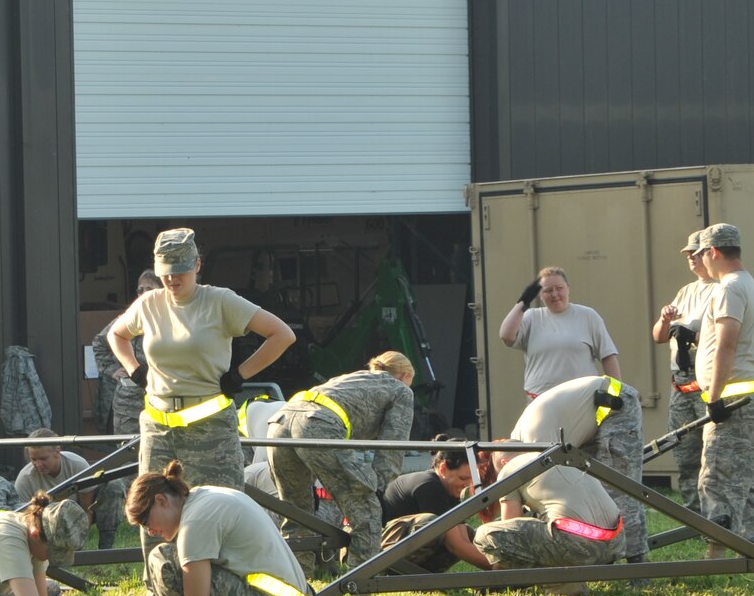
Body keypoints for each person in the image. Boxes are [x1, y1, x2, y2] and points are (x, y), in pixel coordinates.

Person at [107, 228, 295, 490]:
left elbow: (282, 335)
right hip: (158, 431)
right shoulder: (148, 303)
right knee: (155, 518)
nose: (172, 278)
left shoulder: (220, 301)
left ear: (197, 264)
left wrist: (240, 375)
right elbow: (116, 334)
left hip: (211, 431)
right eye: (165, 271)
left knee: (220, 512)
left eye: (180, 270)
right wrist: (135, 370)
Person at [498, 267, 644, 559]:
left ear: (568, 288)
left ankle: (633, 556)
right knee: (560, 481)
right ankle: (576, 545)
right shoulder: (532, 318)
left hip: (588, 404)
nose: (554, 295)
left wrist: (616, 391)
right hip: (546, 403)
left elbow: (608, 356)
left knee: (610, 481)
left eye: (559, 288)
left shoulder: (587, 316)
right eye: (547, 291)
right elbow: (506, 335)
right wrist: (523, 302)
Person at [122, 462, 311, 596]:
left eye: (145, 522)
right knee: (184, 590)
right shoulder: (205, 497)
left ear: (161, 501)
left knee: (162, 559)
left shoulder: (196, 521)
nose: (150, 531)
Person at [264, 351, 416, 557]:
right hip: (315, 425)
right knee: (366, 511)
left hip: (279, 423)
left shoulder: (349, 379)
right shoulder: (401, 390)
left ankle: (296, 581)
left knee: (297, 513)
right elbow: (392, 447)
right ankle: (360, 584)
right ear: (404, 376)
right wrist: (376, 490)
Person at [691, 224, 754, 550]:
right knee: (742, 482)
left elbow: (727, 346)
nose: (702, 263)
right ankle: (749, 549)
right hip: (747, 396)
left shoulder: (729, 290)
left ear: (713, 252)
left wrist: (713, 398)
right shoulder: (749, 284)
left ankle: (718, 556)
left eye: (702, 255)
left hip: (732, 399)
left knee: (717, 480)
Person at [464, 450, 624, 588]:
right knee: (550, 526)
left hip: (579, 546)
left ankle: (560, 587)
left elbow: (509, 530)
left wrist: (496, 582)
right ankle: (567, 585)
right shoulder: (559, 459)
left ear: (504, 461)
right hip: (616, 542)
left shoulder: (510, 469)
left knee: (484, 534)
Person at [90, 271, 160, 546]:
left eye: (149, 288)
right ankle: (137, 514)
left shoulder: (170, 317)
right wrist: (113, 370)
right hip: (130, 397)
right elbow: (101, 342)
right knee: (130, 452)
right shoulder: (131, 317)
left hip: (162, 394)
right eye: (140, 288)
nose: (142, 294)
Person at [650, 233, 715, 498]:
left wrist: (694, 336)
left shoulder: (722, 289)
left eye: (696, 253)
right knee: (685, 453)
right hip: (682, 386)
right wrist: (666, 321)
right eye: (688, 254)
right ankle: (694, 512)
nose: (690, 257)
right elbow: (658, 336)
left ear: (710, 254)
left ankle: (715, 514)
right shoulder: (686, 291)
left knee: (711, 455)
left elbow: (725, 337)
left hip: (706, 383)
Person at [376, 447, 481, 574]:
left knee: (468, 532)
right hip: (378, 552)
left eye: (472, 480)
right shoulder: (429, 485)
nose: (468, 485)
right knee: (431, 523)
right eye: (463, 478)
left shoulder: (450, 489)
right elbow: (455, 545)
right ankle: (393, 573)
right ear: (443, 468)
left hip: (399, 545)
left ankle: (424, 575)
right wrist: (495, 568)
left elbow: (463, 538)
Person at [16, 429, 94, 513]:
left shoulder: (77, 465)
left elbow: (87, 509)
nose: (38, 464)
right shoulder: (24, 478)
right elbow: (24, 516)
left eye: (43, 459)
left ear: (57, 452)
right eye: (34, 459)